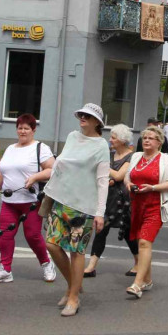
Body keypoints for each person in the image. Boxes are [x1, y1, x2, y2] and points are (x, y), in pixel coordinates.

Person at [43, 103, 110, 316]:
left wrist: (100, 212)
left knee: (76, 252)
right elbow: (61, 165)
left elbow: (102, 181)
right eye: (81, 114)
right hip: (61, 201)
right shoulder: (72, 137)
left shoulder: (101, 146)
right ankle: (75, 285)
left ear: (97, 122)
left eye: (87, 116)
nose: (82, 117)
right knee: (52, 245)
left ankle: (73, 298)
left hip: (84, 207)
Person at [0, 113, 56, 284]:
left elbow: (52, 170)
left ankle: (47, 263)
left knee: (33, 235)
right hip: (9, 202)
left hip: (31, 201)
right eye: (20, 128)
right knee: (5, 235)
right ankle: (5, 269)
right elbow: (2, 174)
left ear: (33, 130)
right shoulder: (11, 149)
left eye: (27, 128)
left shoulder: (40, 148)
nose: (23, 131)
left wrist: (35, 177)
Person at [124, 125, 168, 294]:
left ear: (159, 142)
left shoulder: (166, 159)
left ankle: (137, 284)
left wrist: (153, 188)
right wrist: (130, 185)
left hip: (155, 206)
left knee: (144, 242)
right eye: (145, 137)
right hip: (137, 206)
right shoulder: (136, 156)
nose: (146, 140)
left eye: (151, 138)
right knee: (140, 241)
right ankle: (147, 280)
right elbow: (127, 177)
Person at [84, 124, 138, 277]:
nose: (110, 140)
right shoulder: (110, 155)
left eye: (113, 138)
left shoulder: (131, 156)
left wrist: (102, 168)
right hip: (108, 199)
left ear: (122, 140)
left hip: (123, 202)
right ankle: (91, 266)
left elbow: (120, 176)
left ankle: (139, 263)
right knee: (100, 231)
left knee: (128, 233)